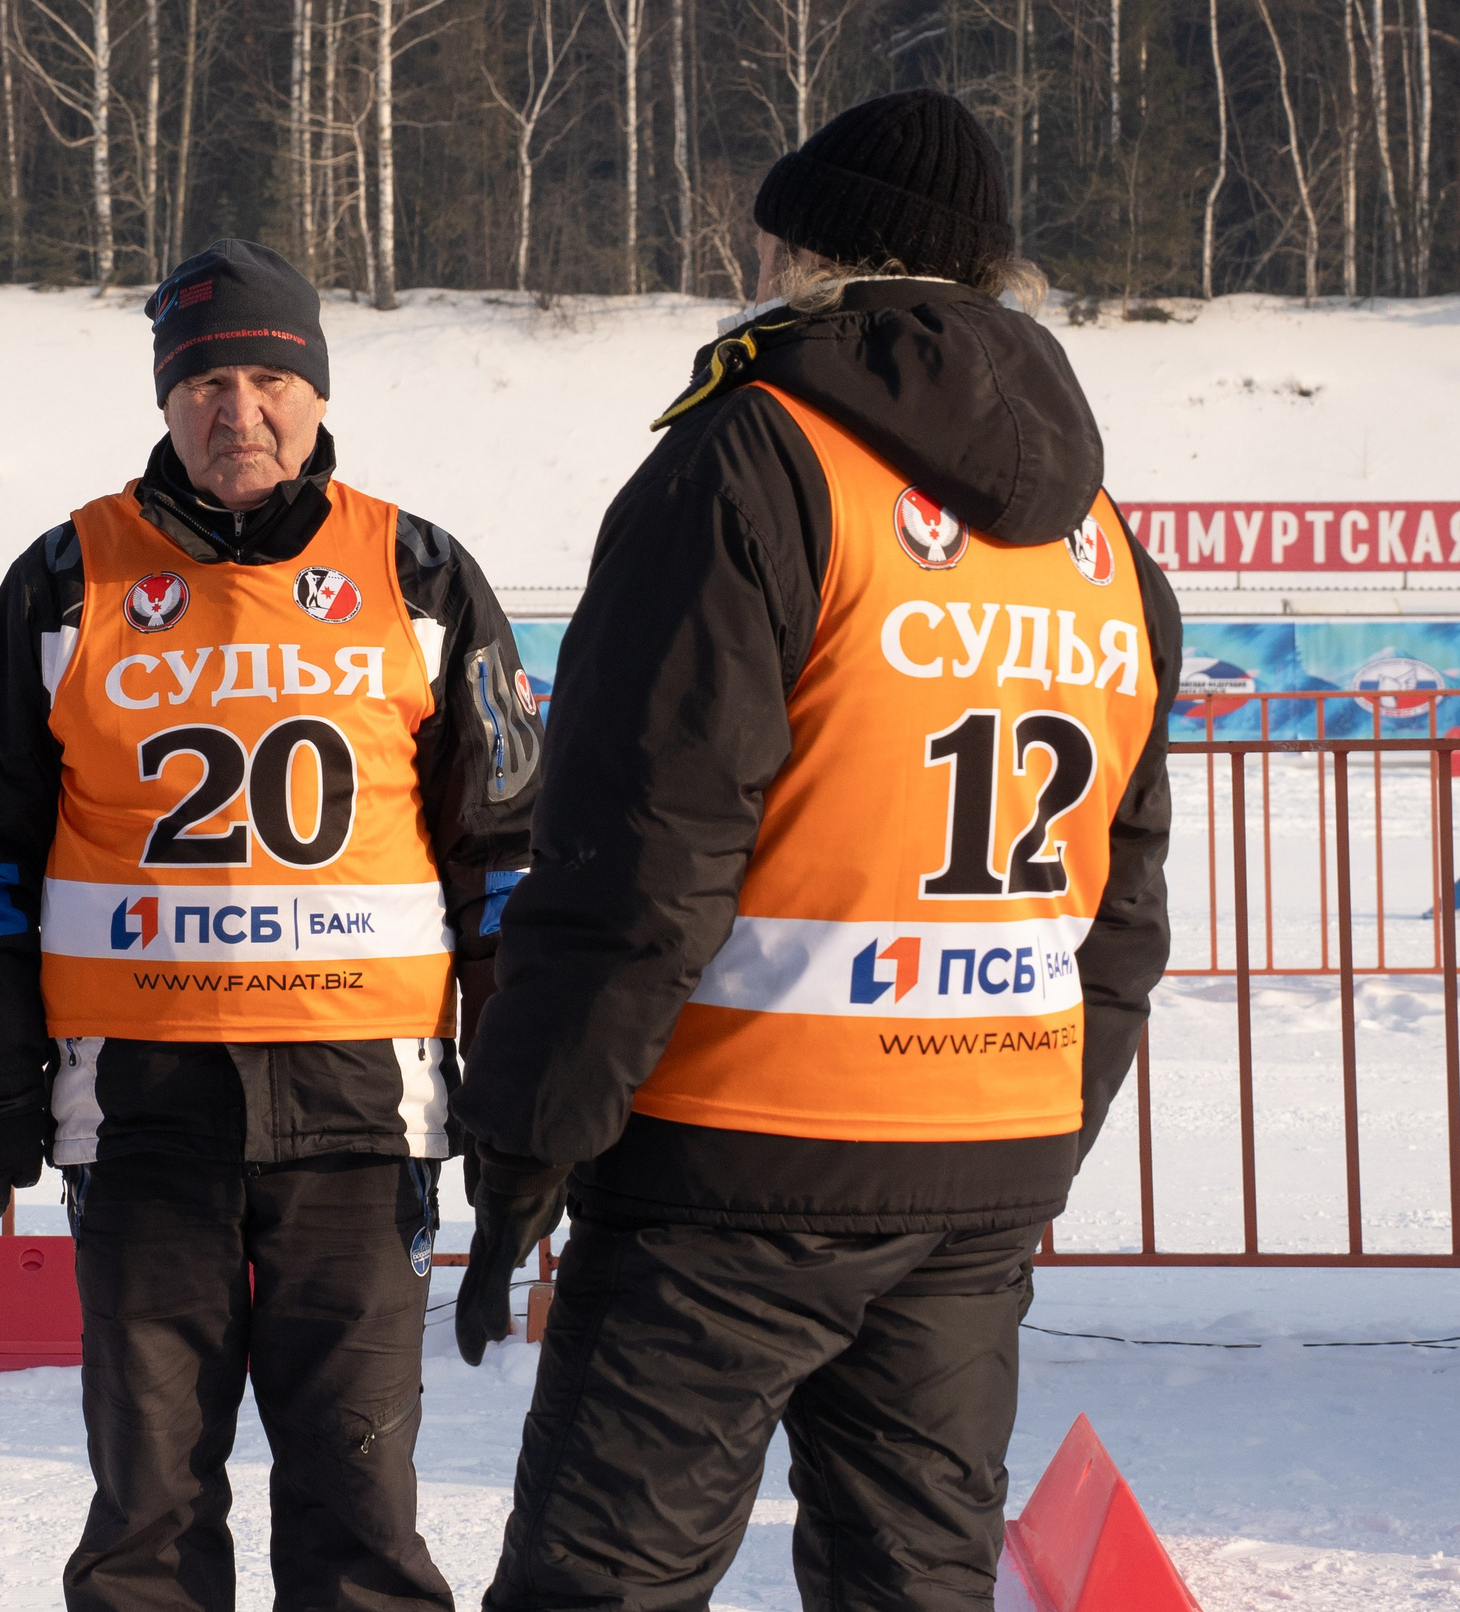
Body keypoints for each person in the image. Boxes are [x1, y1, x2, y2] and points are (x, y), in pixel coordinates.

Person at [451, 89, 1180, 1611]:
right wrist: (1045, 1119)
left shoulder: (753, 461)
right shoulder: (1101, 536)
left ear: (798, 250)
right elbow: (1129, 900)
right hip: (984, 1155)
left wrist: (528, 1143)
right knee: (915, 1582)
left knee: (603, 1584)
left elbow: (638, 854)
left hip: (739, 1153)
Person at [0, 238, 541, 1612]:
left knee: (360, 1514)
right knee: (148, 1518)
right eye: (203, 380)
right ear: (163, 395)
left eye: (268, 376)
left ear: (316, 391)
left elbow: (506, 864)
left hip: (359, 1122)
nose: (235, 410)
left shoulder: (420, 573)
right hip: (141, 1116)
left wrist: (512, 1094)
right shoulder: (66, 577)